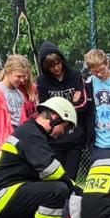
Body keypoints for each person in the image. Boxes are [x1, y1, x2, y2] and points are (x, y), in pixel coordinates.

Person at [0, 96, 77, 218]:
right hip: (4, 197)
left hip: (0, 199)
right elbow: (51, 170)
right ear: (55, 117)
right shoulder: (31, 134)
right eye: (65, 127)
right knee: (58, 190)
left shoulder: (29, 131)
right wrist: (74, 188)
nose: (64, 133)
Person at [34, 42, 90, 179]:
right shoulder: (42, 81)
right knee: (57, 178)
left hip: (74, 138)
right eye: (51, 66)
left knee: (70, 178)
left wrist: (62, 122)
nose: (56, 68)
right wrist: (72, 103)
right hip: (54, 139)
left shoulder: (75, 75)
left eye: (58, 63)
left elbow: (83, 104)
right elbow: (44, 111)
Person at [0, 54, 35, 151]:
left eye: (24, 76)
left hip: (20, 142)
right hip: (5, 145)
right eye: (18, 76)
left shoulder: (20, 94)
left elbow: (22, 121)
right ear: (8, 72)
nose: (22, 80)